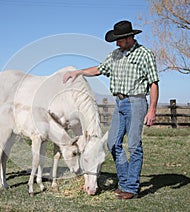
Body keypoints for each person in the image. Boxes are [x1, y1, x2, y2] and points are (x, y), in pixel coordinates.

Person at [63, 20, 159, 200]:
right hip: (120, 103)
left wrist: (152, 109)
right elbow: (99, 69)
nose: (116, 43)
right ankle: (124, 183)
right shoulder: (115, 55)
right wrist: (78, 72)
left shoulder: (145, 54)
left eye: (119, 39)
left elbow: (154, 83)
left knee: (133, 145)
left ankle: (131, 188)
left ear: (130, 37)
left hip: (136, 102)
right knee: (112, 143)